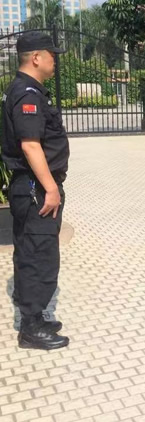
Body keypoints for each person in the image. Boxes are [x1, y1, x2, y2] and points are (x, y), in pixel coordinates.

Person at [1, 32, 69, 350]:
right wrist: (51, 188)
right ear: (37, 58)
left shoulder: (28, 91)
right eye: (52, 55)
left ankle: (36, 316)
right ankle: (30, 328)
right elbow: (30, 145)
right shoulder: (26, 93)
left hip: (32, 186)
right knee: (38, 254)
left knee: (33, 250)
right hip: (35, 187)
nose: (55, 61)